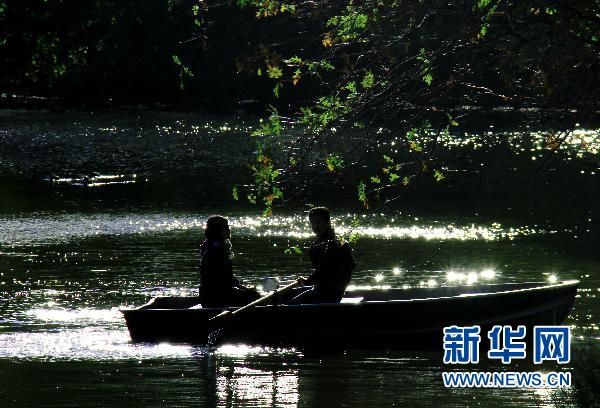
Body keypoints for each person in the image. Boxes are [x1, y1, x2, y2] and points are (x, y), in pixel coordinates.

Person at [291, 207, 356, 304]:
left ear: (328, 222)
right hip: (322, 289)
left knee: (292, 304)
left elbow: (324, 270)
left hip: (329, 293)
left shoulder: (338, 242)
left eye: (318, 222)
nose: (315, 226)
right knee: (290, 295)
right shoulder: (318, 243)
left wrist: (307, 281)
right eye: (312, 223)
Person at [199, 215, 260, 308]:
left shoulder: (214, 247)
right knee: (254, 296)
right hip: (216, 299)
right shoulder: (216, 252)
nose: (229, 230)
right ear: (217, 231)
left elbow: (229, 280)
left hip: (213, 296)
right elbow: (220, 285)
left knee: (252, 293)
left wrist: (243, 288)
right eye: (226, 228)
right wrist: (244, 292)